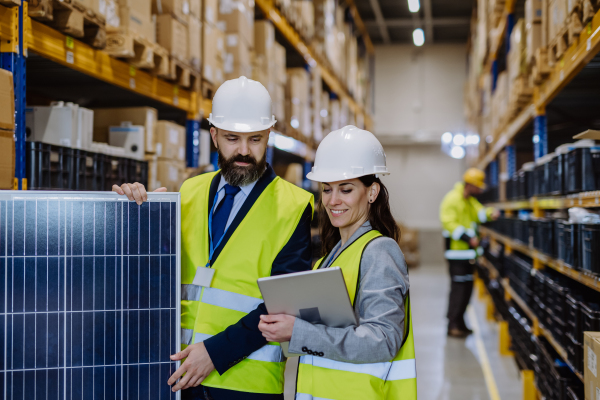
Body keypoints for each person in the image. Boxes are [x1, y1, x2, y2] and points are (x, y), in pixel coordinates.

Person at [113, 76, 314, 400]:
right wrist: (133, 213)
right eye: (233, 138)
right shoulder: (190, 191)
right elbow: (156, 269)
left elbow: (284, 303)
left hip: (246, 383)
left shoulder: (294, 206)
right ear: (214, 135)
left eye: (255, 139)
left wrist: (214, 353)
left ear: (269, 136)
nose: (244, 151)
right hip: (177, 372)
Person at [257, 125, 417, 400]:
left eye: (346, 189)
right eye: (327, 189)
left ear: (372, 192)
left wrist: (300, 332)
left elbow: (383, 340)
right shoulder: (328, 260)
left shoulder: (380, 251)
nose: (333, 201)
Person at [439, 168, 499, 338]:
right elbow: (448, 223)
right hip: (456, 255)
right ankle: (452, 324)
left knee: (466, 290)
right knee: (458, 290)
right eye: (478, 186)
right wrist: (467, 238)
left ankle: (461, 323)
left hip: (468, 255)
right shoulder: (452, 199)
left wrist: (490, 213)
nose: (480, 190)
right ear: (470, 185)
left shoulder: (469, 201)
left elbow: (479, 213)